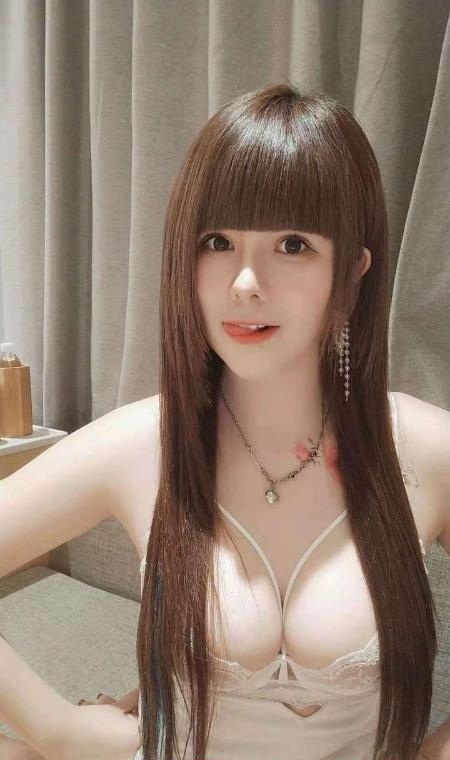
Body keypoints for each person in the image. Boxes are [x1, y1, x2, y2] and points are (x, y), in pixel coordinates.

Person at [0, 82, 449, 760]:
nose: (244, 281)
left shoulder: (421, 448)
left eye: (292, 244)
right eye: (217, 241)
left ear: (354, 270)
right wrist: (55, 730)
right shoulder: (141, 445)